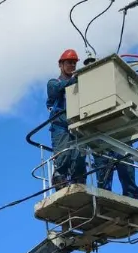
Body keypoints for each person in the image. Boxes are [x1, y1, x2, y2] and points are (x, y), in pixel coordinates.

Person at [46, 49, 87, 187]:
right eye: (69, 62)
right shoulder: (53, 82)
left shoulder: (79, 85)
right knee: (63, 155)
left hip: (78, 125)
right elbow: (56, 90)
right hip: (61, 126)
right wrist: (74, 80)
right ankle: (60, 180)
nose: (72, 66)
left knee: (80, 157)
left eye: (74, 63)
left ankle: (79, 184)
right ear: (61, 64)